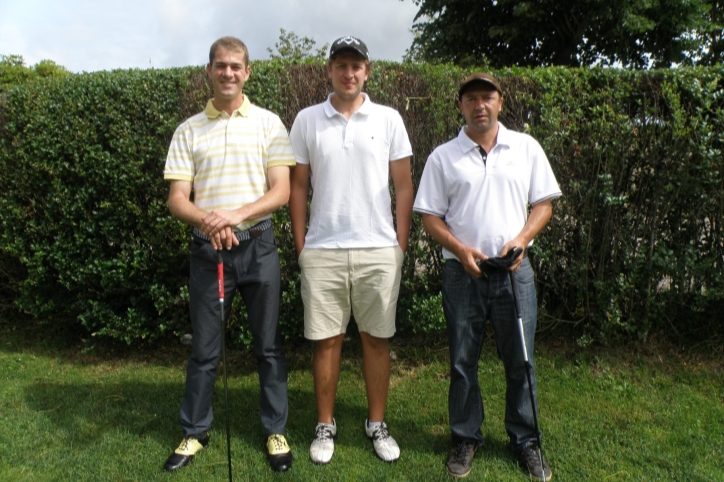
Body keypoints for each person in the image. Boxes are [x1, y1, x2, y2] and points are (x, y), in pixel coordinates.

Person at [413, 73, 561, 481]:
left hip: (514, 273)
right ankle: (465, 437)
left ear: (500, 102)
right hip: (463, 274)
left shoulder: (526, 148)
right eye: (472, 98)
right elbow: (429, 216)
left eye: (488, 97)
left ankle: (526, 440)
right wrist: (460, 249)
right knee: (462, 362)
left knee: (522, 360)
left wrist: (522, 239)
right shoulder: (444, 157)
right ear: (461, 106)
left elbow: (544, 204)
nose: (480, 104)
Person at [162, 36, 294, 473]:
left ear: (247, 72)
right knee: (204, 349)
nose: (228, 73)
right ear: (209, 70)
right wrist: (208, 222)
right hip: (209, 253)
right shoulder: (188, 129)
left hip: (258, 247)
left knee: (269, 346)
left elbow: (281, 190)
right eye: (221, 65)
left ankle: (276, 430)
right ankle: (194, 432)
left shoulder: (270, 123)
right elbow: (178, 198)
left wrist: (234, 215)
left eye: (236, 66)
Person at [288, 36, 413, 465]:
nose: (348, 73)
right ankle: (326, 424)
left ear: (367, 71)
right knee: (326, 342)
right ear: (329, 70)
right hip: (322, 251)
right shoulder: (307, 120)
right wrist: (302, 246)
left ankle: (376, 423)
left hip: (378, 249)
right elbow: (298, 186)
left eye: (356, 66)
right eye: (341, 65)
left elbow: (403, 186)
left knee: (377, 341)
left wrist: (399, 245)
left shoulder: (389, 118)